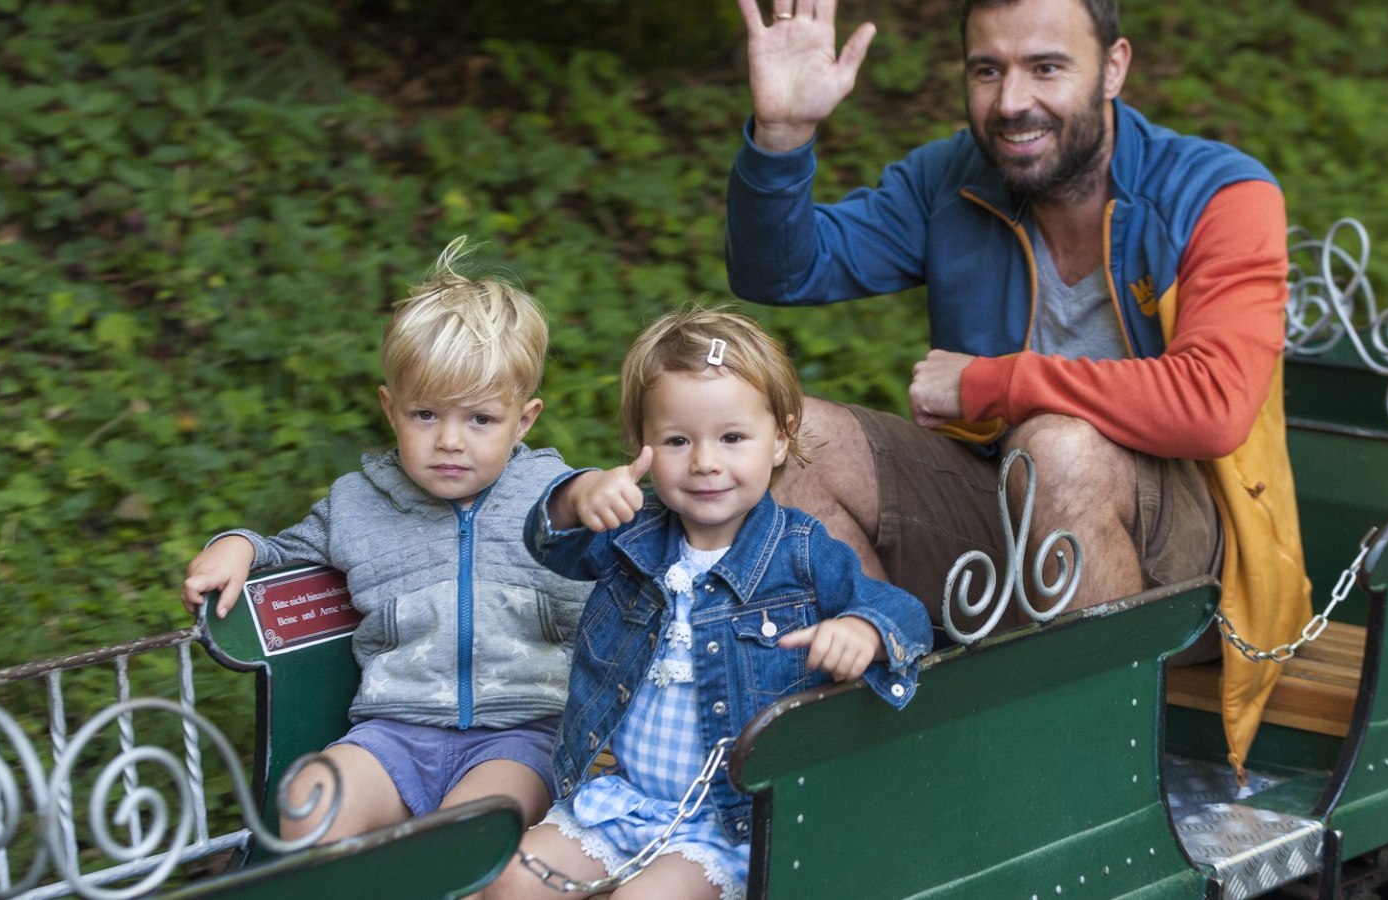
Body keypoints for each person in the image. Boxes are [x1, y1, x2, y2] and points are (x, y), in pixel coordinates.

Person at [722, 0, 1308, 773]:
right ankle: (887, 739)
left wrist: (993, 385)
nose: (1011, 102)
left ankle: (1091, 780)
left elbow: (1215, 406)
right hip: (1003, 507)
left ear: (1115, 67)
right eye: (987, 71)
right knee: (798, 444)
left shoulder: (1218, 195)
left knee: (1058, 449)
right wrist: (784, 137)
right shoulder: (952, 180)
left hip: (1195, 560)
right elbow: (782, 269)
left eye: (1046, 67)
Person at [484, 308, 931, 900]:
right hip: (621, 798)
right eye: (676, 440)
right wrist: (576, 494)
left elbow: (905, 614)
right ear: (641, 445)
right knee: (508, 883)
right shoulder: (631, 535)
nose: (705, 462)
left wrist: (862, 629)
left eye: (732, 437)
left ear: (781, 439)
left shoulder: (800, 553)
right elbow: (552, 542)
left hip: (723, 823)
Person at [179, 237, 588, 843]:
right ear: (390, 409)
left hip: (523, 735)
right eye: (426, 416)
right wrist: (237, 545)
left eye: (480, 419)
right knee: (309, 800)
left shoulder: (557, 499)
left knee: (471, 827)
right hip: (394, 732)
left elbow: (620, 589)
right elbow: (287, 549)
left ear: (523, 420)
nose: (450, 441)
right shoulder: (358, 503)